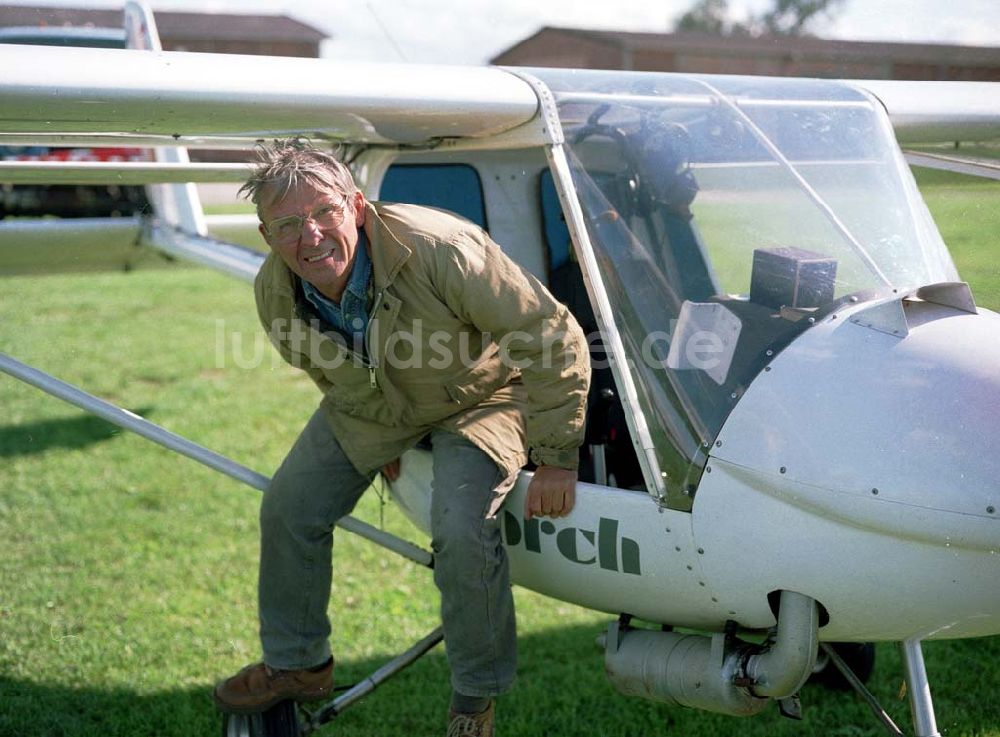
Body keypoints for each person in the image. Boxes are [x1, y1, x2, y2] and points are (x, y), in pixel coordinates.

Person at [213, 139, 590, 736]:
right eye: (287, 225)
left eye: (323, 213)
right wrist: (377, 435)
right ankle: (297, 666)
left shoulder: (442, 249)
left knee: (462, 530)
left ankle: (475, 699)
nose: (309, 237)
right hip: (376, 408)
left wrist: (557, 456)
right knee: (289, 507)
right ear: (266, 236)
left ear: (356, 206)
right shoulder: (275, 293)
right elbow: (323, 369)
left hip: (481, 396)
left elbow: (550, 335)